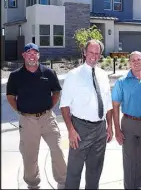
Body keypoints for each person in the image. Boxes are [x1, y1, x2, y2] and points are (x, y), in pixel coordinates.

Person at [6, 43, 66, 189]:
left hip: (47, 118)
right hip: (28, 121)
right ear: (24, 56)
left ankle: (63, 181)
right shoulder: (15, 76)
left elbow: (56, 92)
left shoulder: (48, 73)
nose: (32, 56)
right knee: (30, 156)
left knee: (57, 149)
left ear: (39, 55)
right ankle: (33, 184)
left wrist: (49, 107)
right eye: (29, 53)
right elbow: (10, 96)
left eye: (35, 53)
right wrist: (20, 111)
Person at [60, 39, 113, 189]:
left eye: (97, 53)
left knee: (95, 171)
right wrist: (71, 130)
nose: (94, 56)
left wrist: (110, 127)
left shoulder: (103, 75)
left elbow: (108, 103)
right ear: (84, 52)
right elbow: (64, 106)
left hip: (100, 129)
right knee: (74, 171)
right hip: (80, 128)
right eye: (91, 52)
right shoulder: (73, 75)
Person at [112, 51, 141, 189]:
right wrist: (117, 130)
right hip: (129, 124)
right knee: (129, 159)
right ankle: (129, 186)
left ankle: (138, 184)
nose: (136, 62)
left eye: (139, 59)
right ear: (129, 63)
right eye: (133, 60)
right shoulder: (122, 82)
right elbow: (115, 106)